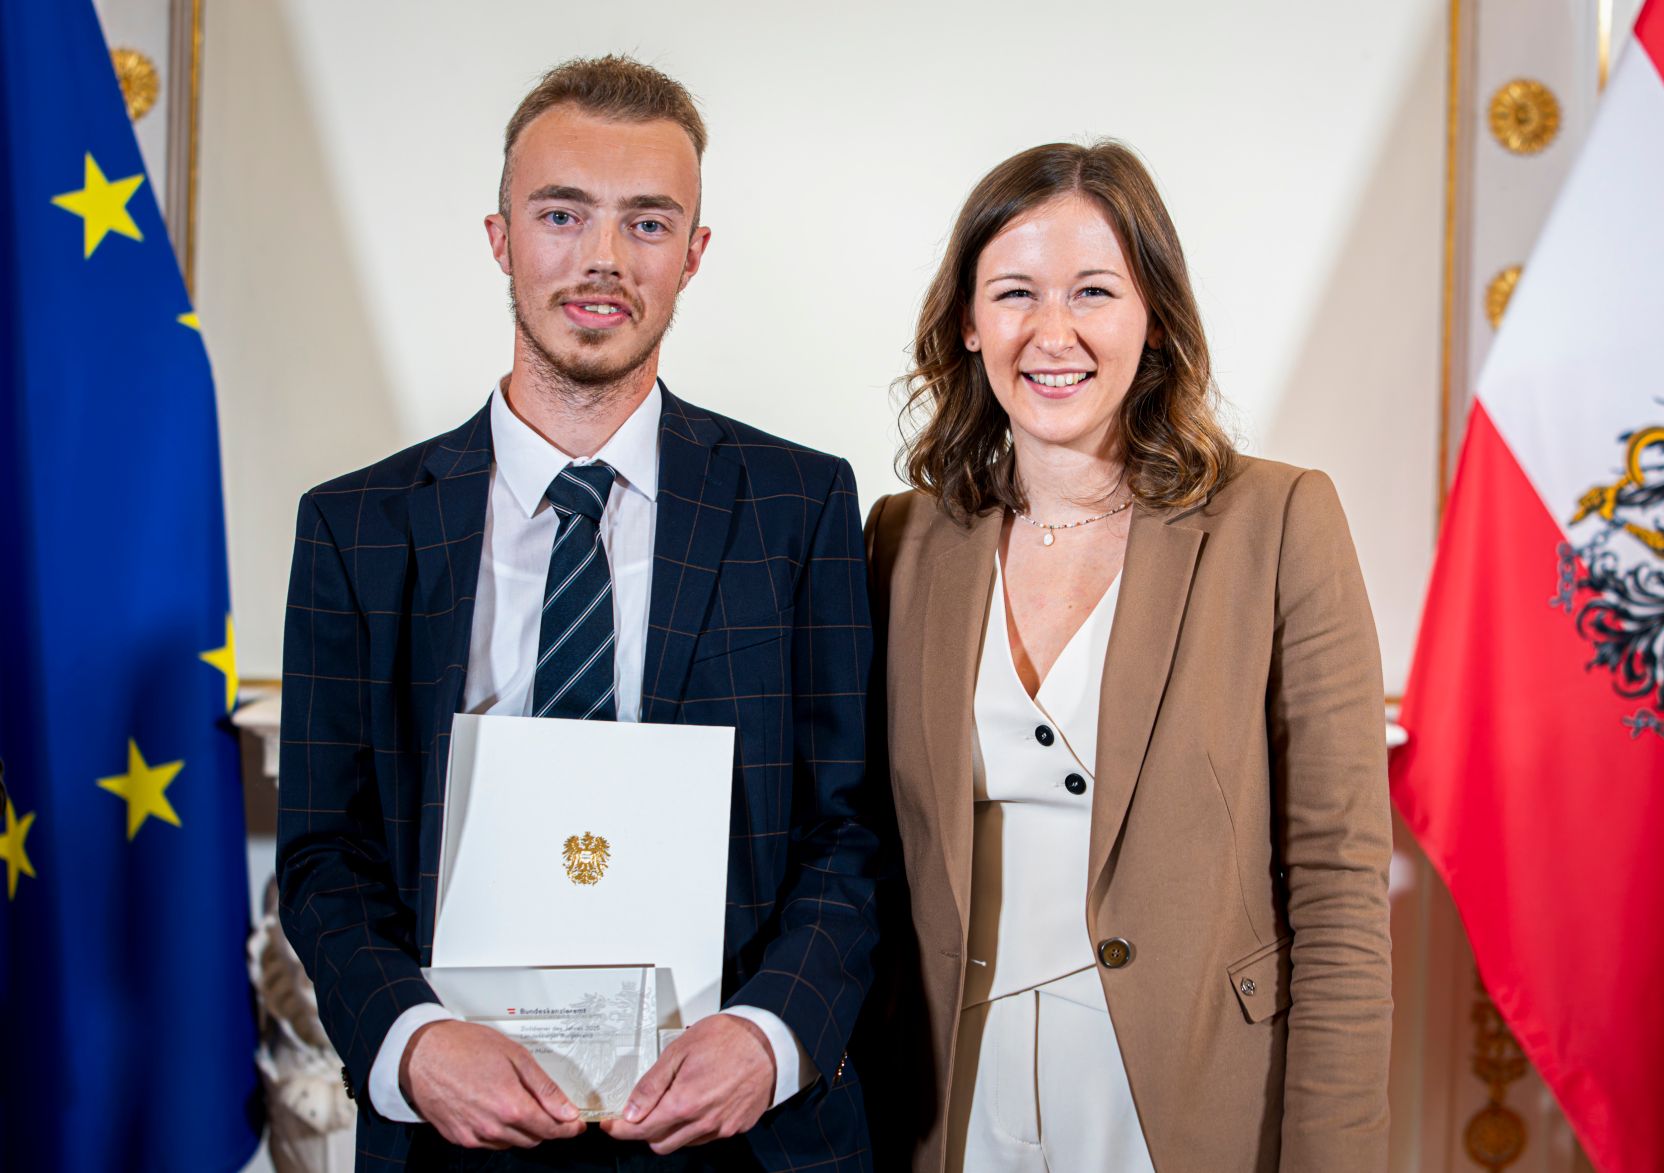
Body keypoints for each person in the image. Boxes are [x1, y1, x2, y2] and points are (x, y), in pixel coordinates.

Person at [276, 56, 880, 1172]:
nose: (601, 259)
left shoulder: (801, 506)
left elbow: (849, 827)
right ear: (500, 236)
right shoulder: (355, 528)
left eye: (647, 222)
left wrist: (770, 1034)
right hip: (456, 1133)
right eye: (562, 214)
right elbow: (324, 851)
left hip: (740, 1133)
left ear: (694, 252)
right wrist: (409, 1044)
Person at [862, 141, 1393, 1172]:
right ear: (966, 324)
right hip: (945, 1098)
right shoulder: (899, 538)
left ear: (1151, 317)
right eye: (1012, 292)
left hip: (1188, 1095)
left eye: (1093, 291)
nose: (1049, 333)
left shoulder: (1276, 521)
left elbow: (1335, 883)